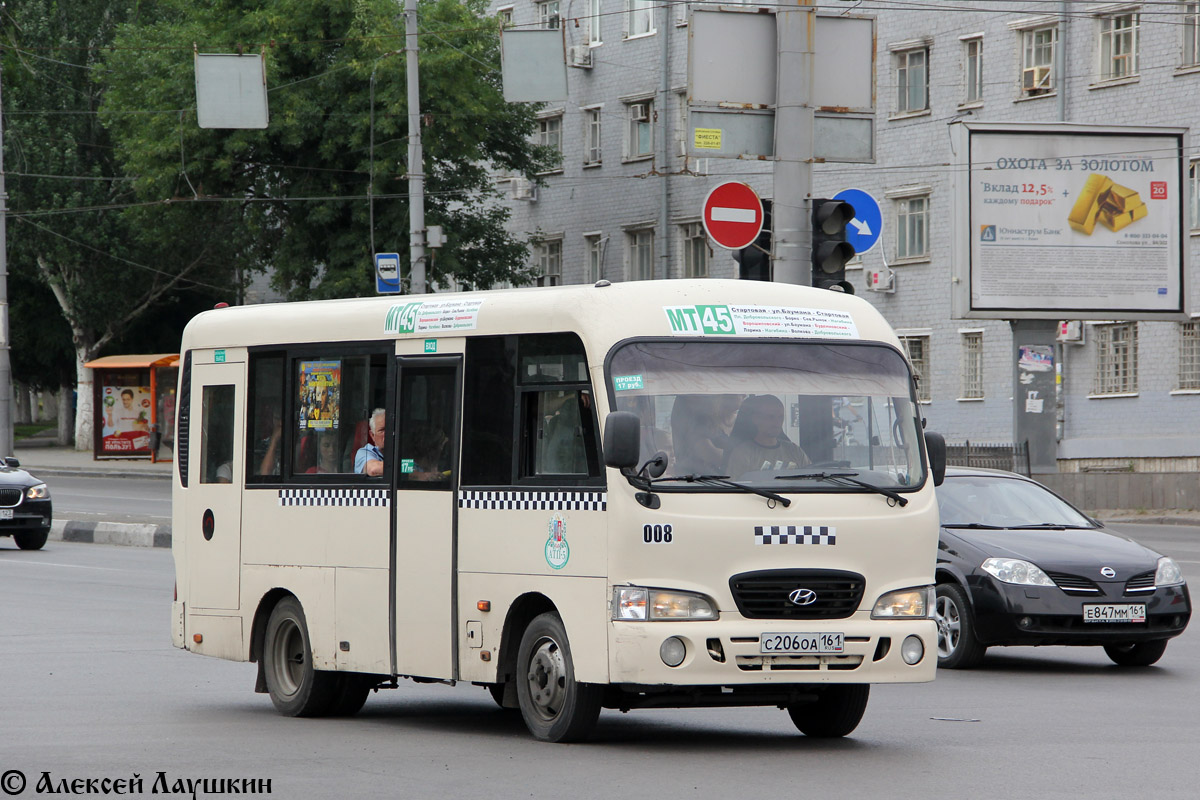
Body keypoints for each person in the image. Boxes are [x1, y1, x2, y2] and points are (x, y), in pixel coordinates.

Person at [724, 395, 810, 477]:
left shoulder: (795, 451)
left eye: (780, 417)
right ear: (756, 419)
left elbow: (810, 479)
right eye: (770, 417)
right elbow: (734, 487)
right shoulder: (743, 453)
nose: (777, 423)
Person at [355, 408, 386, 476]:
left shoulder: (404, 453)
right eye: (382, 430)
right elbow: (373, 469)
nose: (387, 434)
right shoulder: (364, 453)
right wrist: (405, 468)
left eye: (390, 429)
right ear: (372, 435)